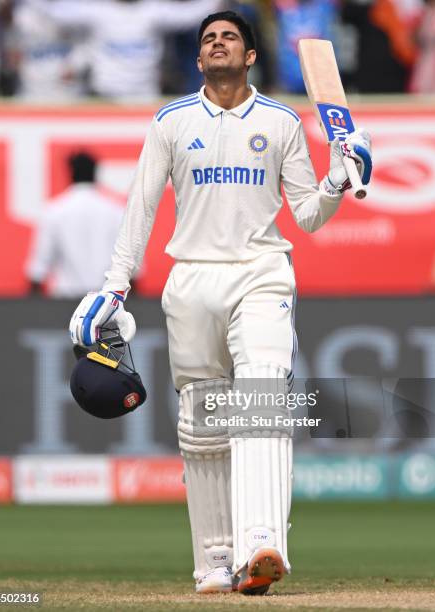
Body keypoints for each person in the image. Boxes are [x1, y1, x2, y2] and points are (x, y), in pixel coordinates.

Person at [69, 10, 372, 595]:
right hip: (192, 279)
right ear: (199, 57)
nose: (216, 43)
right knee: (203, 426)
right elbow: (141, 208)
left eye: (229, 36)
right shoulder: (171, 122)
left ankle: (263, 543)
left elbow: (307, 214)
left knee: (260, 397)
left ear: (250, 55)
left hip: (261, 272)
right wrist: (113, 284)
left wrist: (339, 179)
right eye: (208, 38)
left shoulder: (281, 122)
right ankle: (215, 559)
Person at [26, 0, 222, 100]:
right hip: (105, 99)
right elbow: (55, 12)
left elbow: (192, 14)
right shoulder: (98, 11)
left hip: (145, 100)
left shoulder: (152, 11)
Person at [26, 152, 123, 298]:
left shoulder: (55, 210)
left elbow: (38, 268)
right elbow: (130, 266)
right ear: (95, 173)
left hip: (64, 302)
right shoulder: (115, 210)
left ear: (71, 172)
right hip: (106, 303)